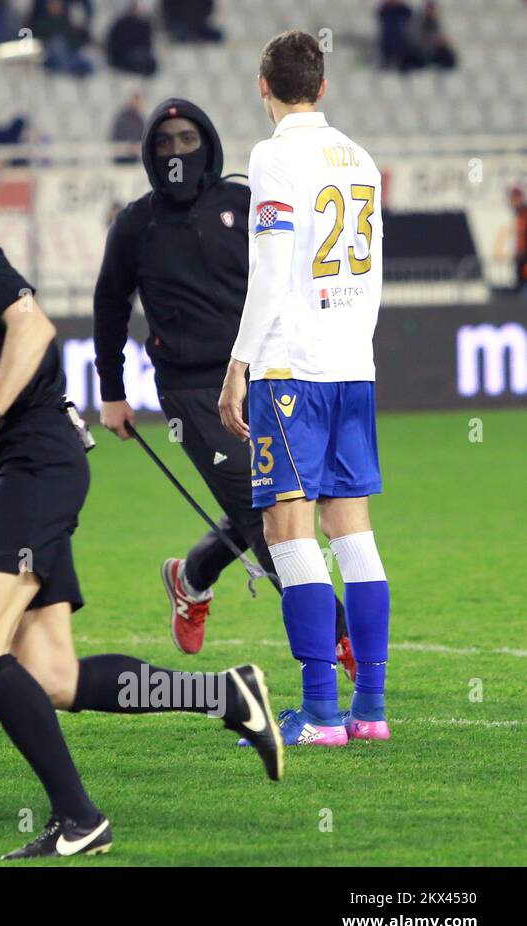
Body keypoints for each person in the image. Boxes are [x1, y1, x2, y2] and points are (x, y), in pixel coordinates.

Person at [0, 125, 282, 860]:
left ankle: (80, 819)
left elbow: (34, 328)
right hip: (20, 463)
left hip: (37, 462)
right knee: (55, 676)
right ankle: (228, 696)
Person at [93, 98, 353, 668]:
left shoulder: (246, 202)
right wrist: (111, 392)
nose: (177, 152)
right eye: (165, 143)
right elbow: (109, 308)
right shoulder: (135, 224)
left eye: (188, 139)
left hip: (267, 373)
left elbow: (288, 276)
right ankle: (338, 637)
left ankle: (191, 578)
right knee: (269, 512)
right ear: (148, 153)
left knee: (267, 502)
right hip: (191, 393)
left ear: (208, 143)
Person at [219, 31, 391, 747]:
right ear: (321, 87)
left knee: (287, 530)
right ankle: (370, 709)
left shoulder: (273, 155)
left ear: (265, 86)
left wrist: (240, 362)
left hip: (292, 367)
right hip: (354, 363)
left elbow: (270, 268)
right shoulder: (361, 158)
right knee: (353, 532)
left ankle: (320, 712)